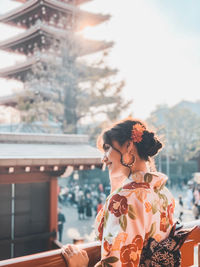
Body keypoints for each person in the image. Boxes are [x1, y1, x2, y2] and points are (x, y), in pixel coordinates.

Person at [62, 118, 177, 266]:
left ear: (129, 146)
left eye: (107, 148)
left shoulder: (124, 200)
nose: (103, 158)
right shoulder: (163, 193)